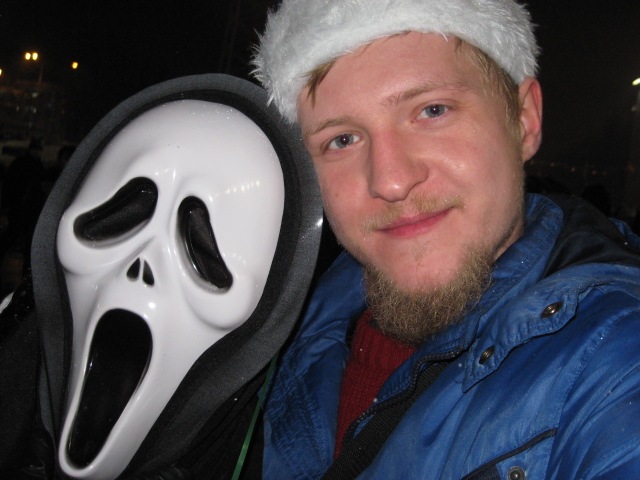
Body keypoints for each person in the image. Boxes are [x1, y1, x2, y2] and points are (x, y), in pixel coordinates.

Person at [252, 0, 640, 478]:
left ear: (524, 120)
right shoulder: (272, 337)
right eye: (342, 140)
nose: (391, 181)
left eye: (432, 111)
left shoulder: (616, 362)